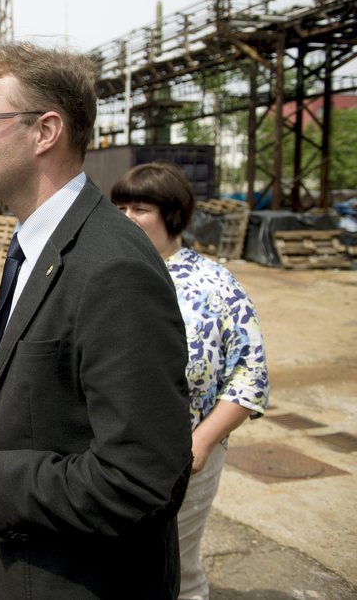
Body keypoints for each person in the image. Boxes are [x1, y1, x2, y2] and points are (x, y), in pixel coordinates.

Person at [0, 42, 193, 599]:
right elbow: (40, 360)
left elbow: (141, 481)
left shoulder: (113, 267)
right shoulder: (38, 242)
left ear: (45, 132)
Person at [111, 162, 269, 600]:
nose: (125, 219)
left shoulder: (215, 284)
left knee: (175, 565)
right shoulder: (105, 274)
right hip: (106, 456)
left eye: (139, 208)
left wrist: (201, 443)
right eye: (118, 207)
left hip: (185, 458)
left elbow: (249, 374)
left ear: (172, 215)